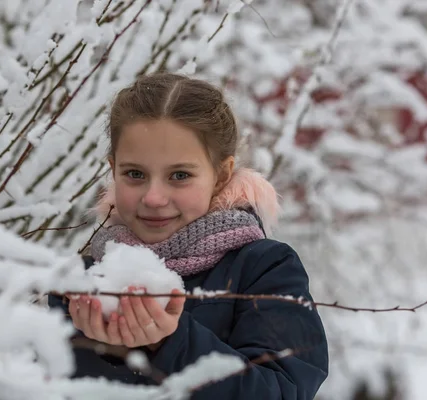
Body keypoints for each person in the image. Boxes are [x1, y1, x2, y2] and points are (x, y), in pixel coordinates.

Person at [48, 72, 328, 399]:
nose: (153, 197)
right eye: (135, 174)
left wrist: (170, 342)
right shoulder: (82, 282)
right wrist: (103, 348)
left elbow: (283, 391)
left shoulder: (263, 269)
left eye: (179, 175)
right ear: (114, 170)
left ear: (221, 174)